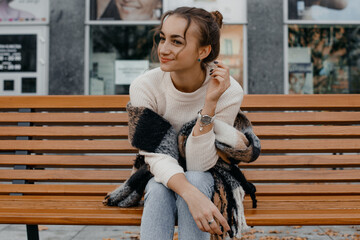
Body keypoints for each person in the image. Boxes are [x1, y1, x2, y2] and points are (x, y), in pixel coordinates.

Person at [129, 7, 245, 239]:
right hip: (159, 171)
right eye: (162, 38)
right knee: (158, 187)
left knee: (196, 177)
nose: (163, 49)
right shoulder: (145, 86)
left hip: (211, 175)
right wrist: (192, 196)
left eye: (176, 42)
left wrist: (210, 104)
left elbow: (199, 164)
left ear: (203, 51)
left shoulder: (228, 90)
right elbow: (154, 155)